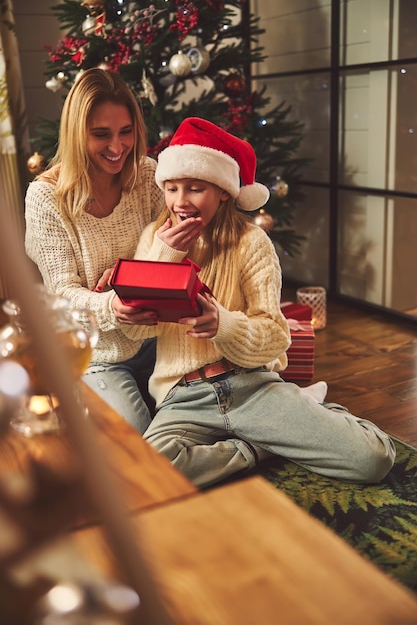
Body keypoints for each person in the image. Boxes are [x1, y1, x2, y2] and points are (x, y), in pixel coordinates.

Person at [119, 116, 396, 488]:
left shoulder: (252, 243)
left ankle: (314, 414)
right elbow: (135, 328)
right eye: (171, 188)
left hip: (249, 385)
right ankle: (258, 448)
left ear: (223, 191)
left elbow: (275, 336)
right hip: (182, 397)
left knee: (373, 459)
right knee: (148, 475)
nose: (179, 202)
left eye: (194, 188)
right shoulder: (155, 237)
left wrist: (224, 325)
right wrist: (168, 256)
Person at [24, 68, 168, 432]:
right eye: (101, 135)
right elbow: (61, 293)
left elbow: (171, 255)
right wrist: (112, 304)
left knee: (214, 412)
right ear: (76, 134)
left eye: (126, 132)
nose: (117, 148)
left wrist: (128, 274)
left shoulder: (148, 177)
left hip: (159, 338)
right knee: (137, 437)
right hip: (96, 355)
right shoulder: (46, 198)